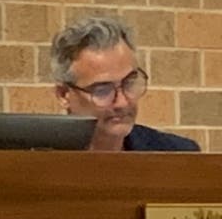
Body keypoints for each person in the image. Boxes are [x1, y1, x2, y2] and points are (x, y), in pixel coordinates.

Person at [51, 15, 200, 152]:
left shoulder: (177, 156)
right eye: (102, 90)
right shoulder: (35, 162)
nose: (122, 103)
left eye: (128, 84)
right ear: (64, 94)